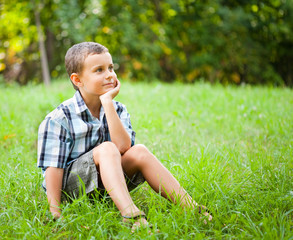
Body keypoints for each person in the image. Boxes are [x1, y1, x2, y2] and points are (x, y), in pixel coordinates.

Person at [37, 42, 212, 230]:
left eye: (111, 68)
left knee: (139, 151)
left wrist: (107, 104)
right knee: (106, 148)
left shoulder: (117, 108)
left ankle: (192, 208)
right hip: (72, 190)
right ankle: (131, 215)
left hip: (103, 187)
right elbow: (53, 169)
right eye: (99, 70)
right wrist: (55, 212)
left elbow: (123, 148)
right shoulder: (59, 118)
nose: (109, 74)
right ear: (77, 80)